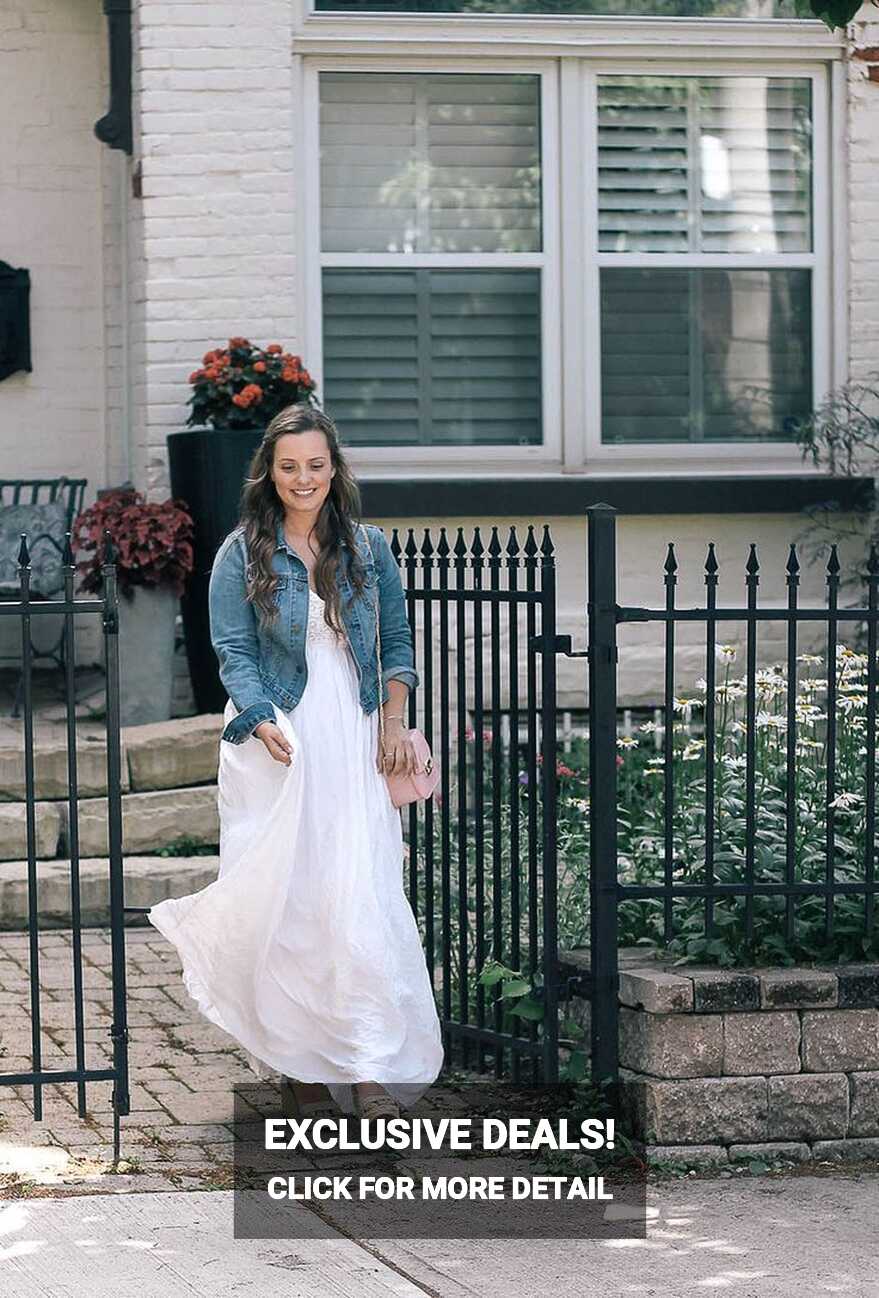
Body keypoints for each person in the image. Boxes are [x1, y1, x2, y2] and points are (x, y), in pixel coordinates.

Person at [147, 403, 444, 1121]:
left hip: (355, 723)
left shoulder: (369, 550)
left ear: (334, 469)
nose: (303, 478)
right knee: (292, 894)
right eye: (289, 467)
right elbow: (232, 651)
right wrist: (259, 721)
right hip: (279, 731)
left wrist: (394, 721)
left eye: (315, 465)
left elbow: (396, 644)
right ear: (269, 473)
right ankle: (300, 1063)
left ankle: (368, 1064)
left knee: (360, 885)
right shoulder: (241, 551)